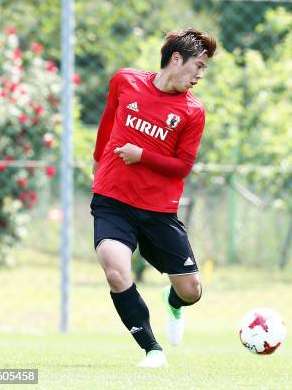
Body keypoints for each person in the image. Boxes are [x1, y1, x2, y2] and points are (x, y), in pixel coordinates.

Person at [90, 28, 216, 367]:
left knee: (192, 291)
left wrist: (141, 155)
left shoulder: (193, 111)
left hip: (158, 211)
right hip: (113, 199)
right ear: (177, 59)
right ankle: (152, 349)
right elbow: (107, 122)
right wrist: (98, 161)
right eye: (198, 66)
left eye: (204, 70)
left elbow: (182, 167)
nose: (199, 76)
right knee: (115, 269)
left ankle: (172, 301)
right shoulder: (125, 81)